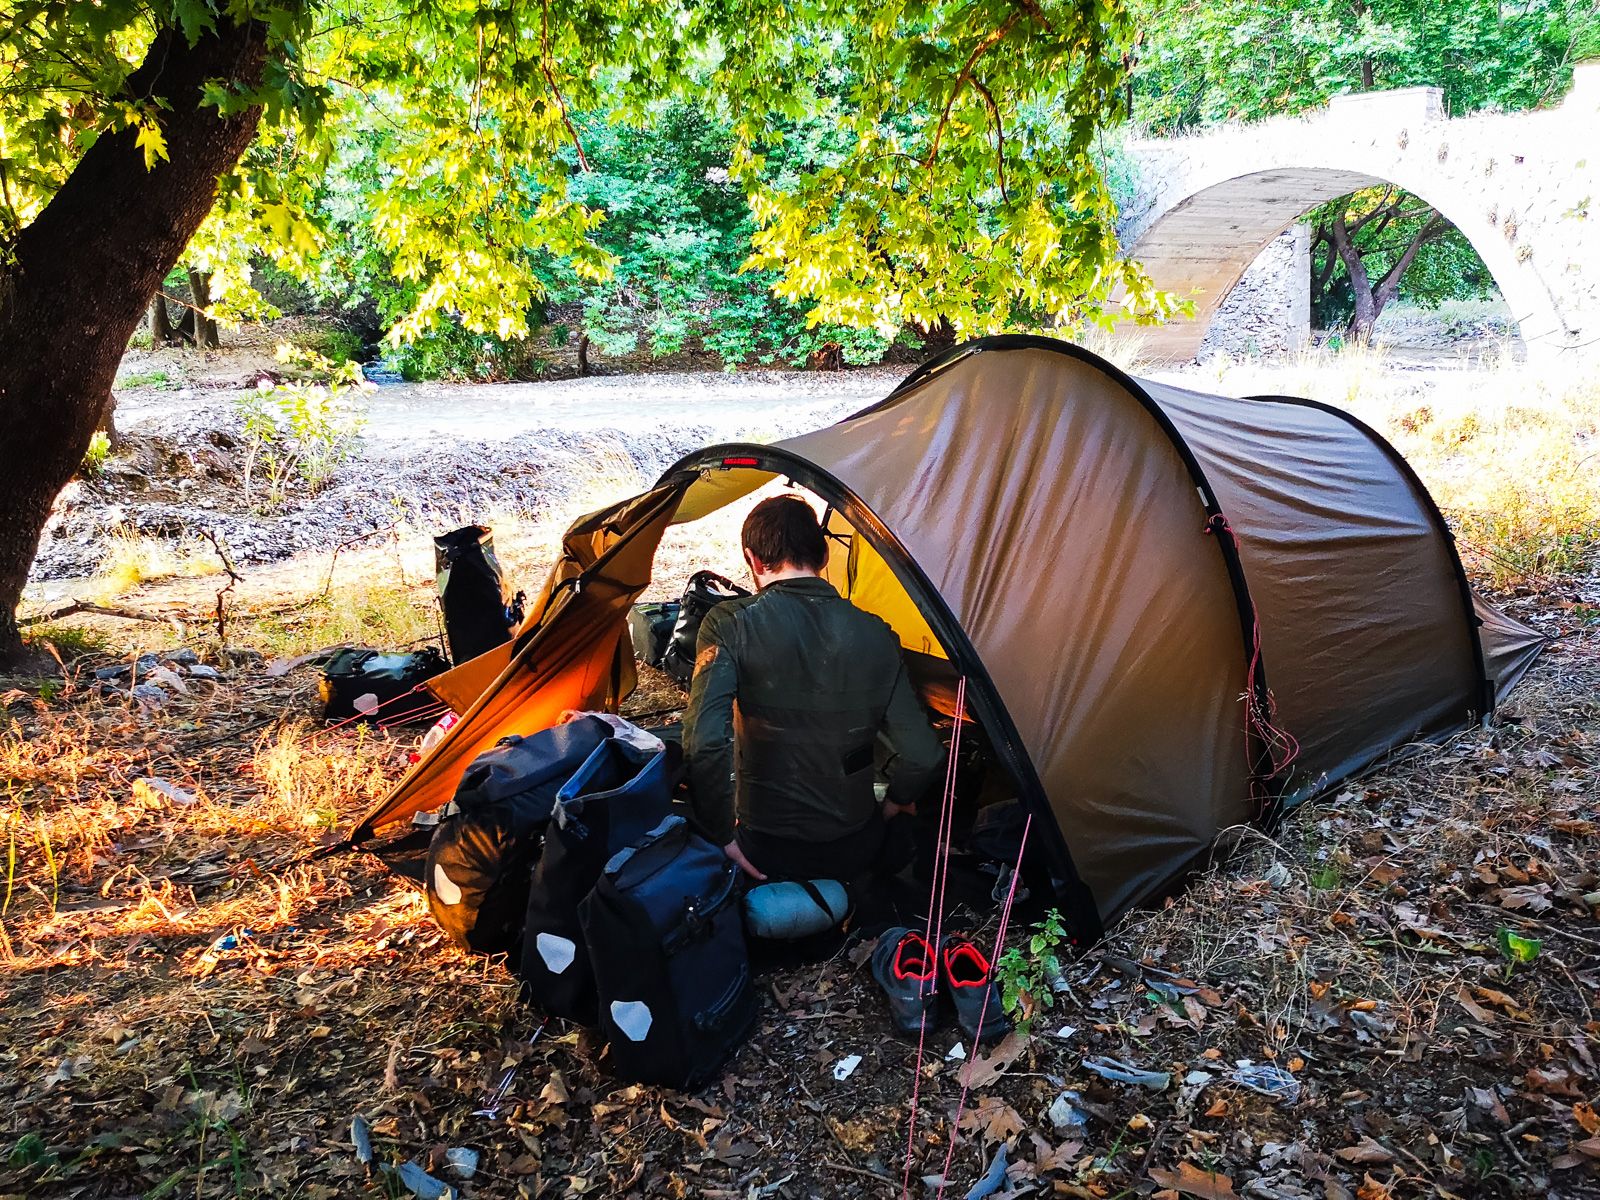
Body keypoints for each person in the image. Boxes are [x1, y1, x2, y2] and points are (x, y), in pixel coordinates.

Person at [682, 494, 945, 884]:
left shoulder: (729, 623)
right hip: (854, 846)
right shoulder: (877, 633)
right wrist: (896, 801)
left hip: (762, 845)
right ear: (824, 555)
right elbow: (924, 753)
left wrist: (720, 834)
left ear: (752, 559)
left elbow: (705, 742)